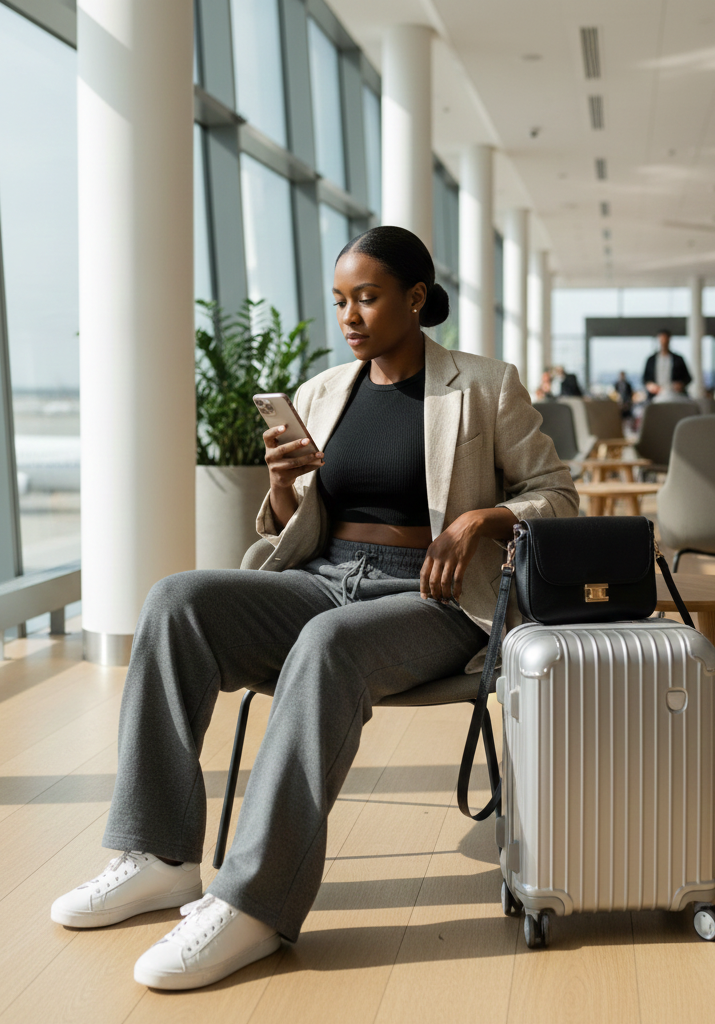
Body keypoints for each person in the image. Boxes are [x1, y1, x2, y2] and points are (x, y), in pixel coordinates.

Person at [50, 226, 579, 991]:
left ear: (416, 298)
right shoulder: (324, 391)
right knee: (177, 600)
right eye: (340, 301)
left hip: (431, 597)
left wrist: (476, 521)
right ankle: (159, 857)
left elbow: (559, 496)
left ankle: (255, 902)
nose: (351, 316)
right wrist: (280, 485)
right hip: (325, 576)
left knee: (328, 643)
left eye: (366, 297)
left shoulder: (485, 385)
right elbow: (291, 525)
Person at [642, 329, 692, 401]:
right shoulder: (651, 360)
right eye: (662, 339)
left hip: (675, 395)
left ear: (669, 340)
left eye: (666, 339)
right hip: (655, 396)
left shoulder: (678, 359)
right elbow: (645, 379)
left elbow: (688, 378)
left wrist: (680, 385)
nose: (664, 342)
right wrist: (650, 385)